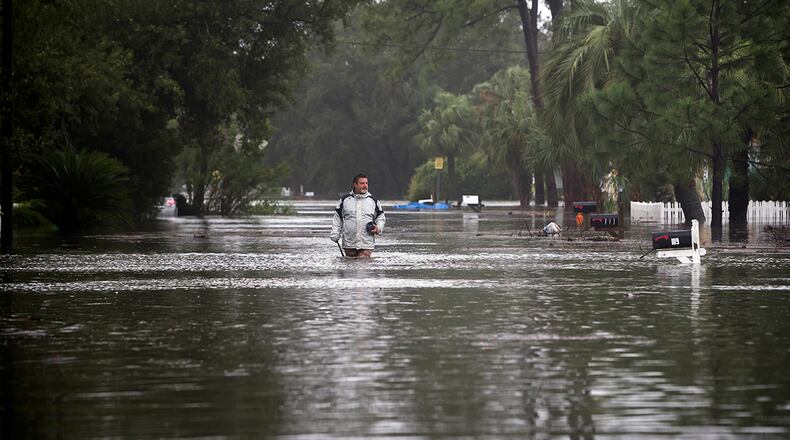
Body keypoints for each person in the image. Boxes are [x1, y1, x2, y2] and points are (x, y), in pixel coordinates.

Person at [330, 174, 386, 257]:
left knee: (363, 264)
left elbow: (381, 217)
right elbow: (337, 218)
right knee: (350, 267)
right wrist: (335, 233)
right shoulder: (344, 200)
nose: (365, 186)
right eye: (362, 183)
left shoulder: (373, 201)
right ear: (355, 184)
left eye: (366, 183)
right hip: (349, 243)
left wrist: (378, 228)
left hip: (366, 243)